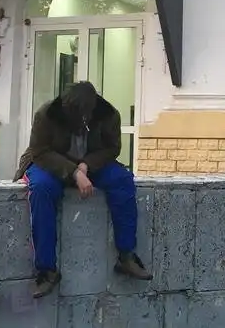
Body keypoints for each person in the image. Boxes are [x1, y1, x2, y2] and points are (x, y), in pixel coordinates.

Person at [13, 81, 152, 298]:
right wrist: (74, 173)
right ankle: (47, 270)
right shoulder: (47, 114)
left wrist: (87, 165)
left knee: (122, 180)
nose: (75, 121)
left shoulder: (108, 115)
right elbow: (40, 151)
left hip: (90, 165)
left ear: (90, 111)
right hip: (51, 164)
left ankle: (126, 255)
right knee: (40, 189)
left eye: (81, 117)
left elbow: (112, 148)